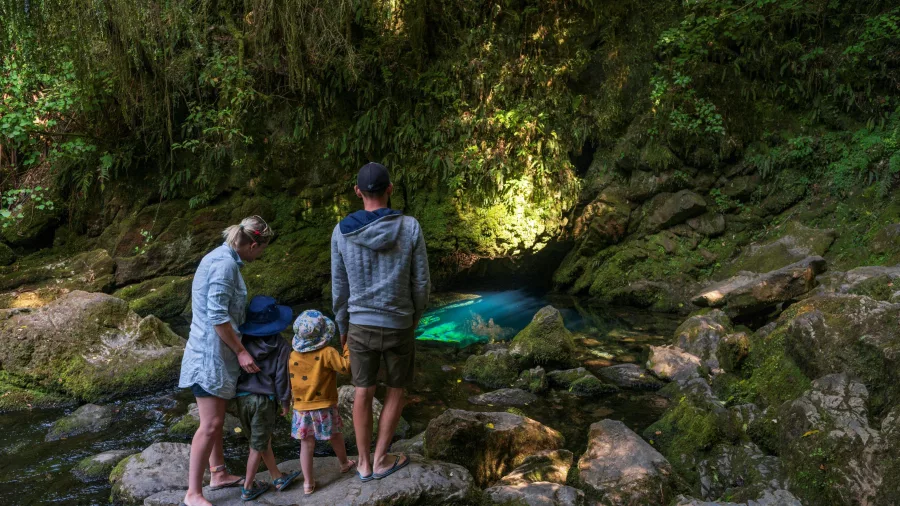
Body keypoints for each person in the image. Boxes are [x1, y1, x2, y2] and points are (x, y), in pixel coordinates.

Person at [331, 162, 431, 481]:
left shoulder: (341, 231)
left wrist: (342, 327)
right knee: (397, 389)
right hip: (400, 322)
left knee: (362, 390)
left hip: (359, 324)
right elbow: (421, 283)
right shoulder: (410, 226)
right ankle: (381, 458)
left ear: (358, 192)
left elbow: (339, 286)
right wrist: (414, 317)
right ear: (390, 189)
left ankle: (362, 463)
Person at [178, 216, 273, 506]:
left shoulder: (222, 257)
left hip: (215, 353)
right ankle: (192, 493)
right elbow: (217, 316)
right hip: (209, 356)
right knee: (210, 423)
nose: (261, 255)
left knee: (217, 421)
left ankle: (217, 473)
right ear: (253, 244)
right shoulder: (225, 264)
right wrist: (241, 351)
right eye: (261, 250)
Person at [233, 295, 300, 501]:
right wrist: (286, 401)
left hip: (242, 398)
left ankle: (276, 476)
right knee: (257, 445)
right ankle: (247, 487)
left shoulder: (241, 343)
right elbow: (282, 377)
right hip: (263, 400)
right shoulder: (281, 345)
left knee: (261, 440)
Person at [289, 310, 356, 495]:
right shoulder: (328, 352)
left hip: (301, 408)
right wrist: (348, 347)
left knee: (306, 444)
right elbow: (346, 368)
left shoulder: (293, 355)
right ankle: (344, 464)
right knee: (335, 435)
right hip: (324, 406)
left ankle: (308, 484)